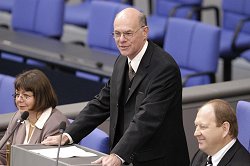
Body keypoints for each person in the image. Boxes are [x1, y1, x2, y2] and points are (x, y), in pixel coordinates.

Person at [42, 7, 190, 166]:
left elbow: (146, 119)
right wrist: (69, 135)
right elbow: (102, 102)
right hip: (130, 156)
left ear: (145, 32)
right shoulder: (122, 60)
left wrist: (118, 154)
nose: (121, 40)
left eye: (127, 33)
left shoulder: (164, 69)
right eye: (117, 34)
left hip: (159, 160)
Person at [0, 69, 69, 165]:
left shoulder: (55, 125)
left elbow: (44, 163)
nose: (19, 99)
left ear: (41, 96)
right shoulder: (19, 117)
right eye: (17, 94)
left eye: (26, 96)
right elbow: (2, 153)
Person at [191, 99, 250, 166]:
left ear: (225, 128)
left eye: (203, 126)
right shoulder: (200, 155)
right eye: (196, 126)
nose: (196, 133)